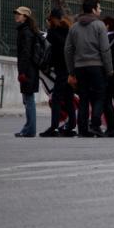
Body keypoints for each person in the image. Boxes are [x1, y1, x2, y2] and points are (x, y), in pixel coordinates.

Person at [64, 0, 113, 138]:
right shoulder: (99, 25)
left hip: (79, 67)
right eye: (99, 8)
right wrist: (109, 68)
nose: (100, 10)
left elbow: (68, 50)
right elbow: (105, 49)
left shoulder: (74, 27)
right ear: (92, 10)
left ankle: (83, 128)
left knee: (83, 97)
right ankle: (95, 124)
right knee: (100, 95)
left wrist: (71, 71)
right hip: (97, 66)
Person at [39, 8, 76, 137]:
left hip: (60, 69)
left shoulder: (52, 32)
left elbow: (49, 49)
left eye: (50, 19)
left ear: (53, 19)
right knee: (69, 98)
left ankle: (54, 127)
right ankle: (71, 126)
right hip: (70, 68)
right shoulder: (70, 30)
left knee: (56, 98)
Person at [14, 6, 41, 138]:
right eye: (16, 13)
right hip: (30, 69)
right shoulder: (27, 30)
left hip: (28, 70)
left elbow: (25, 53)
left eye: (19, 14)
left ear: (25, 17)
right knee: (28, 99)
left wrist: (22, 72)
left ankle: (29, 130)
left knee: (29, 100)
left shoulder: (26, 32)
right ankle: (28, 128)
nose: (16, 16)